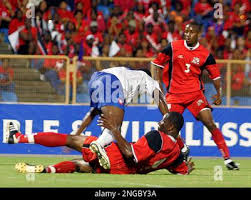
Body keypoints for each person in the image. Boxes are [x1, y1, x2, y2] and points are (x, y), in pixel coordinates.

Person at [151, 21, 239, 170]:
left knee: (209, 122)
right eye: (186, 31)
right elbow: (156, 64)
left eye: (191, 32)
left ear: (198, 34)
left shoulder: (205, 55)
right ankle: (182, 149)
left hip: (195, 95)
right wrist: (156, 85)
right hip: (175, 94)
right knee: (166, 126)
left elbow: (216, 77)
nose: (187, 34)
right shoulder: (173, 47)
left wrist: (219, 94)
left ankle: (227, 159)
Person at [6, 112, 194, 175]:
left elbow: (131, 154)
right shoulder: (176, 152)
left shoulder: (157, 136)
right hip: (124, 172)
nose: (159, 122)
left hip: (118, 157)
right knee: (82, 166)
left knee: (72, 140)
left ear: (170, 126)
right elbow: (180, 169)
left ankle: (18, 138)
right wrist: (187, 168)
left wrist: (114, 130)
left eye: (163, 121)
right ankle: (47, 170)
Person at [74, 66, 169, 170]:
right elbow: (157, 96)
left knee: (112, 125)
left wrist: (77, 134)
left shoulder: (127, 75)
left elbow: (93, 113)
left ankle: (93, 153)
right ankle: (98, 145)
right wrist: (167, 118)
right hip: (112, 81)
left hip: (95, 79)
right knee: (116, 128)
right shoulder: (145, 77)